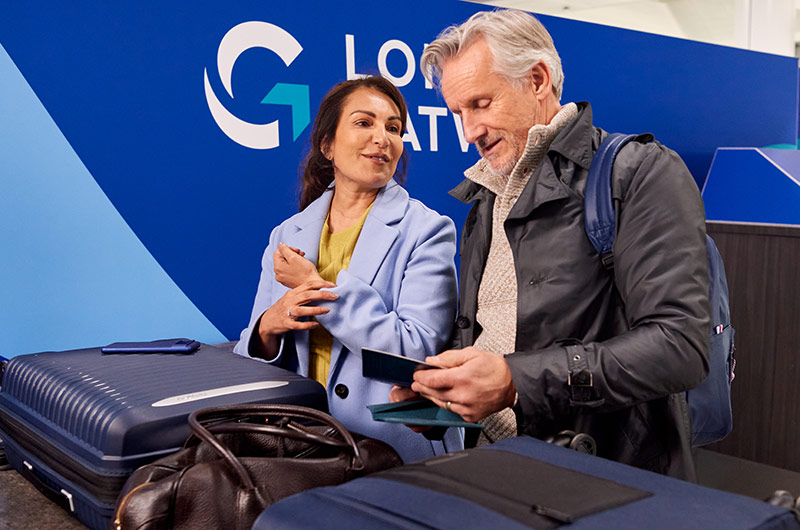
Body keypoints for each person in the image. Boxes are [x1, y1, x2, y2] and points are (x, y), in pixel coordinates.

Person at [391, 9, 710, 480]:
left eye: (480, 103)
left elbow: (681, 346)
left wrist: (515, 381)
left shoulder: (640, 172)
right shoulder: (485, 197)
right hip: (498, 467)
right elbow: (490, 336)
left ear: (537, 80)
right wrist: (443, 394)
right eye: (458, 113)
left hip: (607, 477)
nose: (469, 132)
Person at [234, 75, 463, 463]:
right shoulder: (287, 235)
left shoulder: (427, 230)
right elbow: (248, 358)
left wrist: (316, 289)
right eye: (364, 123)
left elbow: (417, 352)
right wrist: (267, 327)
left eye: (394, 128)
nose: (383, 137)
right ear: (327, 145)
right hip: (303, 449)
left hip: (395, 450)